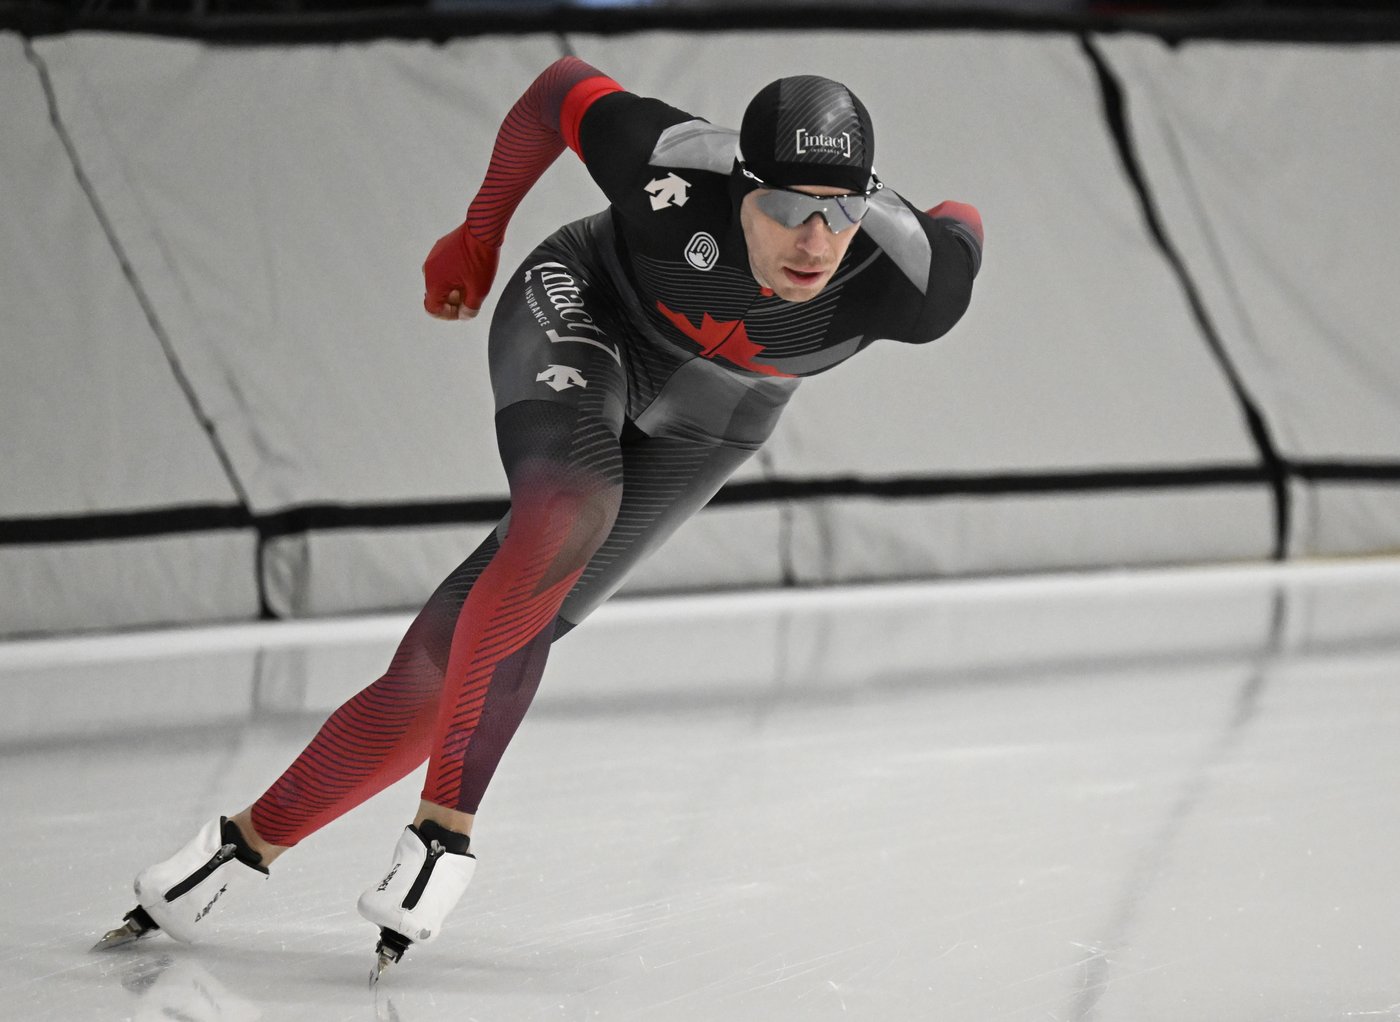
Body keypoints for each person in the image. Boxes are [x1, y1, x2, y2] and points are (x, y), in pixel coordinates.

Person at [96, 57, 984, 978]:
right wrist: (478, 235)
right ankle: (443, 832)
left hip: (722, 413)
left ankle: (236, 848)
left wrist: (929, 218)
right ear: (741, 188)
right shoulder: (670, 165)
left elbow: (963, 223)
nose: (814, 238)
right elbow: (560, 90)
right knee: (571, 506)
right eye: (788, 207)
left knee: (471, 650)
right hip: (588, 304)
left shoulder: (914, 283)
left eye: (840, 211)